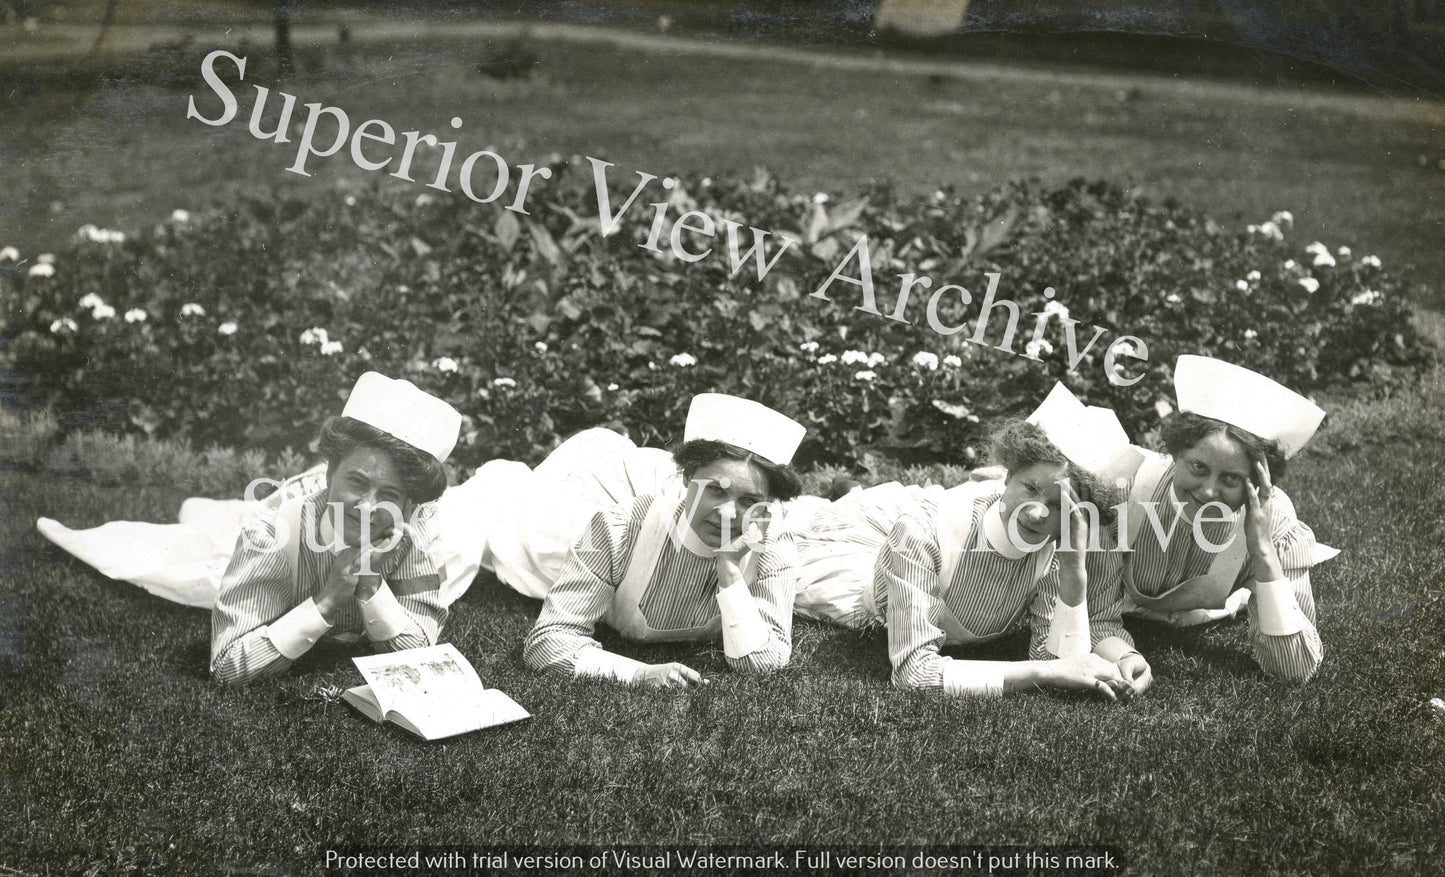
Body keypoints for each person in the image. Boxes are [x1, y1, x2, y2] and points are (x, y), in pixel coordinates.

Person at [38, 372, 463, 685]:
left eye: (389, 493)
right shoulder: (271, 529)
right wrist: (326, 602)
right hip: (282, 519)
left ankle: (209, 511)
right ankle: (206, 512)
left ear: (410, 502)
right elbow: (227, 665)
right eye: (356, 481)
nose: (370, 507)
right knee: (185, 563)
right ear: (330, 471)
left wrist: (371, 589)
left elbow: (421, 650)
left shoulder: (413, 527)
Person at [796, 383, 1151, 699]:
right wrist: (1042, 674)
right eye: (1030, 488)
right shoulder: (921, 534)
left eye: (1059, 506)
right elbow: (914, 674)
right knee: (807, 524)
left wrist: (1074, 571)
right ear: (1008, 475)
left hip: (949, 517)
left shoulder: (1058, 549)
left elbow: (1058, 659)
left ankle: (853, 491)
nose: (1037, 514)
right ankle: (851, 494)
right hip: (880, 555)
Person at [522, 393, 805, 687]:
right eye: (715, 491)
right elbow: (547, 643)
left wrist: (730, 571)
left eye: (748, 500)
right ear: (687, 477)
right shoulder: (618, 529)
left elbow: (764, 662)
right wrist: (637, 673)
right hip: (567, 518)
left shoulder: (771, 545)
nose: (728, 514)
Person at [1117, 355, 1335, 683]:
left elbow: (1297, 669)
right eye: (1198, 468)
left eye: (1231, 479)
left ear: (1262, 483)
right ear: (1177, 454)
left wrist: (1262, 549)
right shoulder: (1128, 482)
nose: (1208, 492)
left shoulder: (1274, 518)